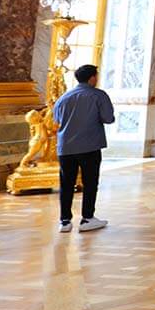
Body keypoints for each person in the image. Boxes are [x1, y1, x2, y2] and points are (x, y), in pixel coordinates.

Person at [52, 64, 115, 233]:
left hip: (65, 148)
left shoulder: (63, 98)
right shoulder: (98, 95)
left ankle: (65, 221)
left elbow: (56, 120)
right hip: (89, 146)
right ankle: (87, 217)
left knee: (66, 184)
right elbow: (108, 118)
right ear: (92, 78)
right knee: (90, 182)